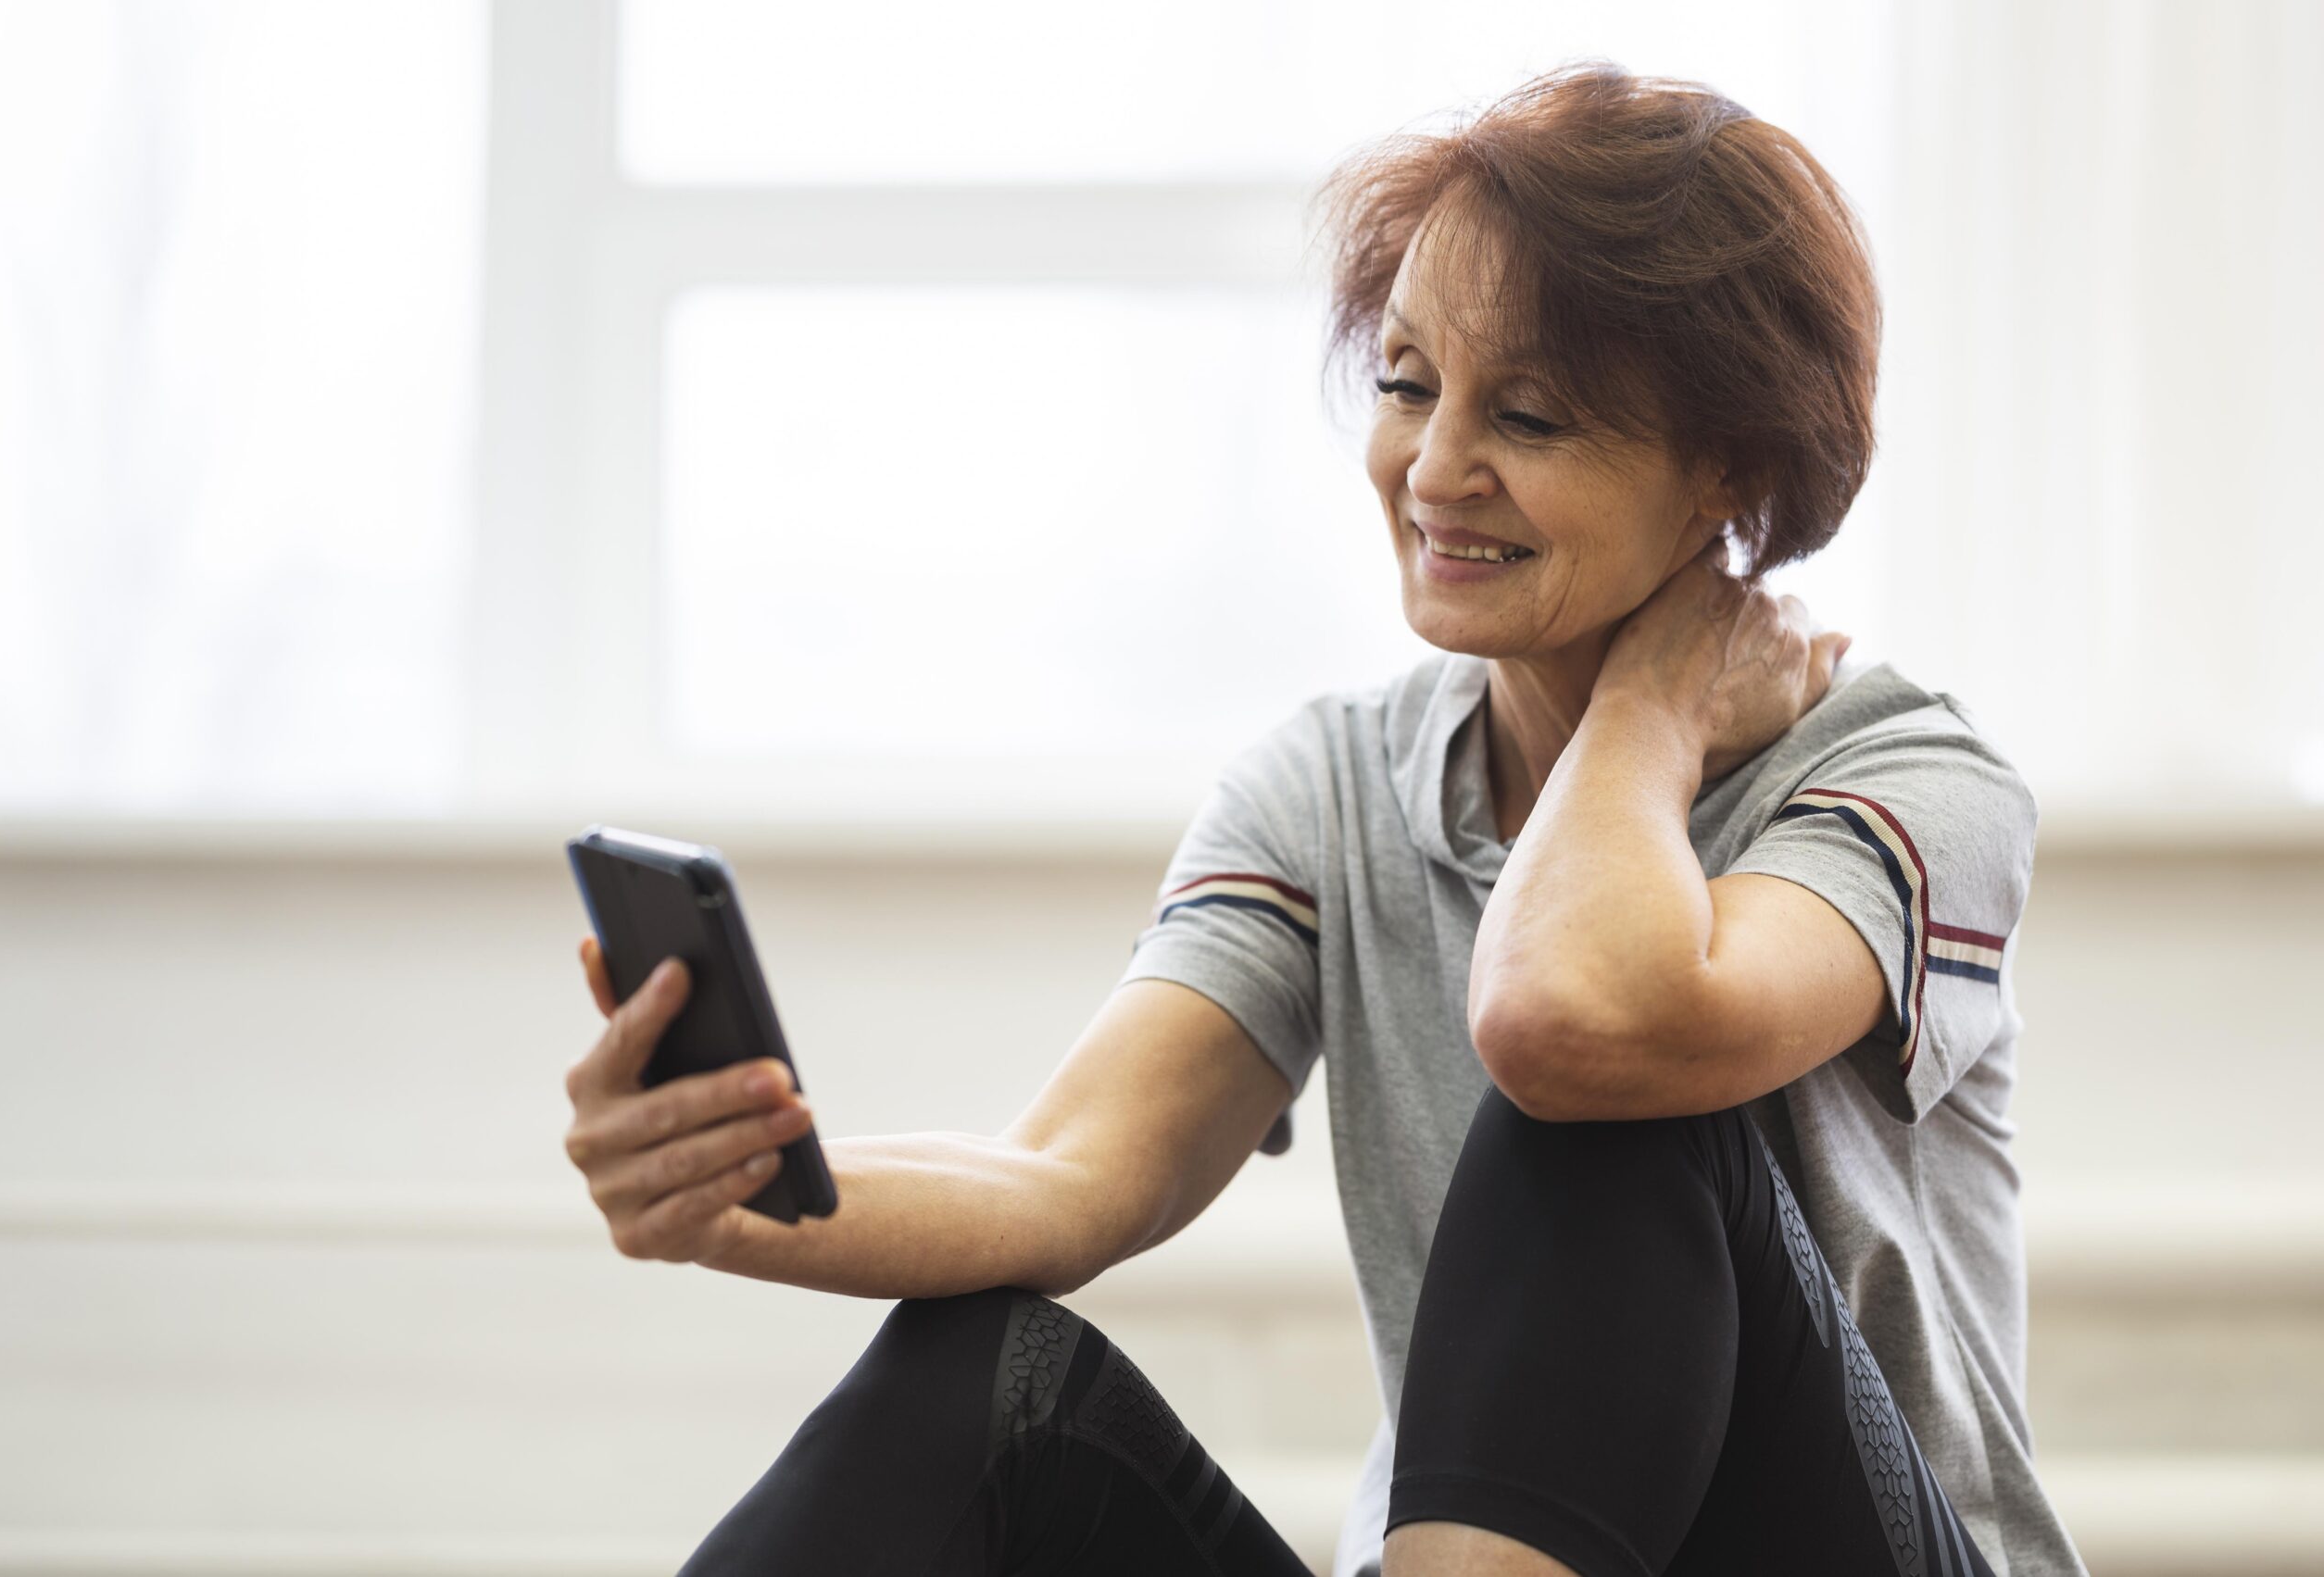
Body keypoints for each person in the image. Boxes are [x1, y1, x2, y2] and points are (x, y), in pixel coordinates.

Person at [559, 63, 2088, 1577]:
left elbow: (1578, 1012)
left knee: (1595, 1102)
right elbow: (1071, 1178)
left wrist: (1650, 706)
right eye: (1409, 381)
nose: (1431, 470)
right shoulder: (1333, 786)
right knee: (978, 1392)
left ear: (1727, 477)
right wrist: (748, 1197)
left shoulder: (1903, 775)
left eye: (1532, 414)